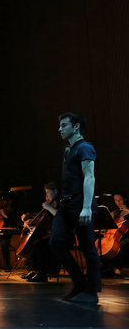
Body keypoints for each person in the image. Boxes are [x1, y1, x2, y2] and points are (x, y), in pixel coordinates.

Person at [49, 112, 101, 303]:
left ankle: (92, 292)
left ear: (76, 126)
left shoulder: (85, 147)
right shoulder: (68, 150)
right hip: (66, 204)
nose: (60, 129)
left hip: (81, 203)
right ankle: (80, 283)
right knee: (55, 242)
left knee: (88, 247)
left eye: (64, 125)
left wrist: (86, 207)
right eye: (60, 125)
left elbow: (89, 177)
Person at [20, 182, 60, 282]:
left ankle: (42, 274)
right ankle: (35, 271)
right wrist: (28, 216)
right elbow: (42, 216)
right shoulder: (52, 204)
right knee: (36, 241)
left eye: (48, 193)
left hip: (63, 235)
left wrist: (49, 208)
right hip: (52, 234)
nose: (46, 196)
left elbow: (61, 216)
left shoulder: (61, 202)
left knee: (39, 244)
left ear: (55, 191)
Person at [108, 191, 129, 277]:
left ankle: (117, 269)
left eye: (119, 200)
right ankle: (107, 268)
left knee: (121, 245)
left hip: (127, 236)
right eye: (115, 200)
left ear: (125, 199)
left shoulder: (128, 210)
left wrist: (128, 212)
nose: (118, 202)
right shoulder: (115, 212)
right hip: (116, 235)